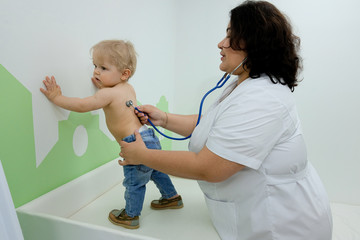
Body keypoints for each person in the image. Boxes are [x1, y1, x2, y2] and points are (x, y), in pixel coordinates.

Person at [118, 1, 333, 239]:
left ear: (255, 44)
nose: (221, 43)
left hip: (282, 226)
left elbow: (209, 168)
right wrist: (164, 118)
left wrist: (141, 156)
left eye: (231, 36)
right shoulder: (244, 83)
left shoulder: (263, 99)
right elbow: (214, 125)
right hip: (248, 214)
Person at [40, 39, 183, 230]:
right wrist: (104, 85)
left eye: (104, 68)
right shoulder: (127, 88)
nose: (96, 71)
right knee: (157, 170)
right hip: (148, 137)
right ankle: (171, 197)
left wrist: (57, 98)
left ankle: (130, 215)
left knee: (134, 181)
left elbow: (83, 105)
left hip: (134, 143)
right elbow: (118, 103)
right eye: (95, 66)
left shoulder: (107, 94)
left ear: (124, 74)